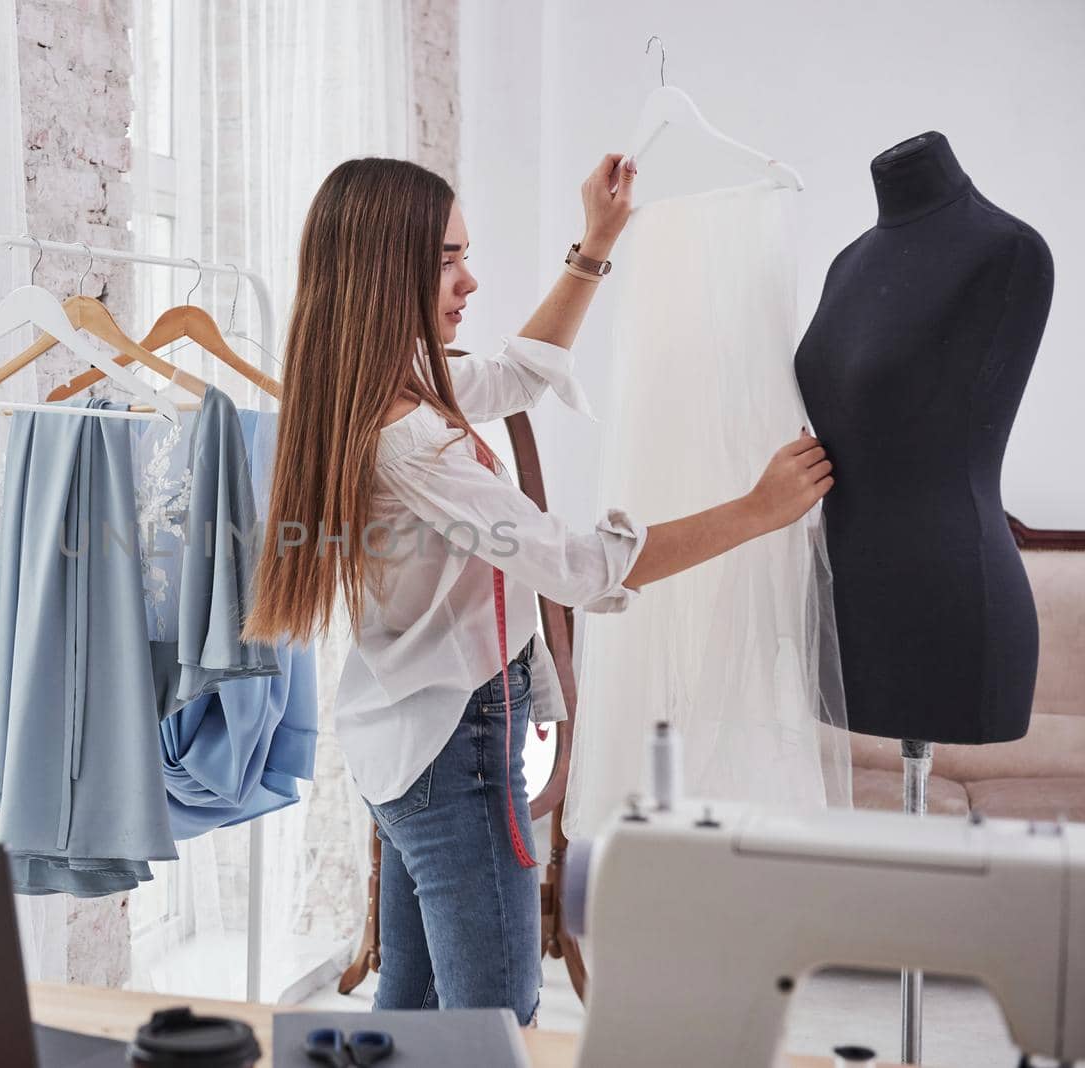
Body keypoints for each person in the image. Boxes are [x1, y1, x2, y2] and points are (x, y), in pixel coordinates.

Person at [241, 155, 832, 1025]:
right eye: (448, 258)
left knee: (414, 1003)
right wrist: (758, 510)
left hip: (406, 738)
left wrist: (595, 242)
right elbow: (583, 569)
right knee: (494, 1013)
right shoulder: (409, 438)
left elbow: (516, 376)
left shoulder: (374, 387)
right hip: (454, 745)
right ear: (383, 267)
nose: (470, 280)